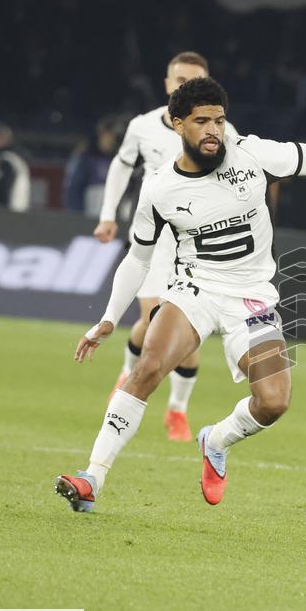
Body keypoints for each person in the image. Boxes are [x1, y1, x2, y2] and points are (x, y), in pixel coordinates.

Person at [56, 77, 306, 512]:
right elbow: (139, 259)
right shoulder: (161, 189)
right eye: (201, 121)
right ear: (177, 124)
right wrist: (110, 317)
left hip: (253, 298)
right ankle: (92, 476)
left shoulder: (253, 156)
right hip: (195, 291)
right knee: (147, 368)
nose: (213, 131)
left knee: (275, 402)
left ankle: (216, 439)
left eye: (219, 120)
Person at [93, 51, 240, 442]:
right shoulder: (143, 127)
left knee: (187, 335)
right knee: (154, 317)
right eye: (179, 81)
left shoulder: (220, 130)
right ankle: (129, 374)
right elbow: (122, 165)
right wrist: (108, 214)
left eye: (194, 82)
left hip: (198, 244)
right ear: (167, 84)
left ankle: (176, 409)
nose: (185, 87)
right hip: (156, 240)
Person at [62, 115, 124, 217]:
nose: (111, 140)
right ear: (101, 134)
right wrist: (76, 216)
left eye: (114, 136)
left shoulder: (119, 160)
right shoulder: (86, 158)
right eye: (108, 134)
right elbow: (74, 190)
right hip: (89, 217)